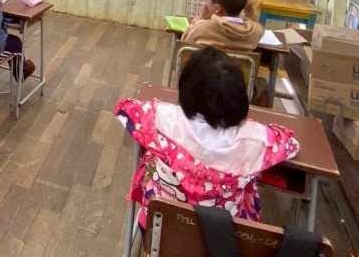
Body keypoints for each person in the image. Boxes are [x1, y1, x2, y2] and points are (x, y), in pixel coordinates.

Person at [114, 47, 299, 231]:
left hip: (161, 232)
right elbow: (291, 143)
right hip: (222, 239)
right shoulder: (253, 139)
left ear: (185, 89)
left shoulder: (162, 119)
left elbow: (124, 108)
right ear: (239, 97)